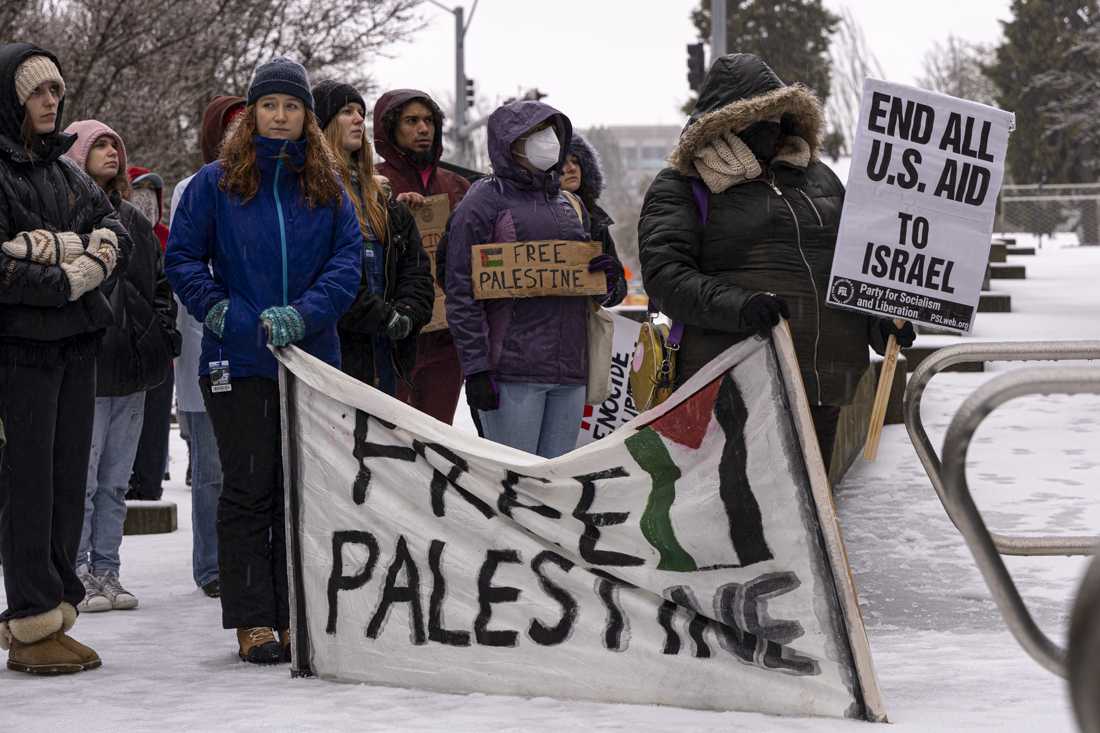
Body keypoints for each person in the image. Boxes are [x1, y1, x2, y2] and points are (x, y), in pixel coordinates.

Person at [166, 57, 361, 664]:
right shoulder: (215, 184)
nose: (281, 117)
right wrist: (219, 311)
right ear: (252, 113)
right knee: (249, 487)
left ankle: (300, 610)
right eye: (270, 106)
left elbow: (347, 263)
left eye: (293, 107)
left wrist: (304, 315)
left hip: (311, 361)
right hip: (238, 362)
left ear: (307, 117)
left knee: (304, 490)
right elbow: (182, 259)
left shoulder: (327, 189)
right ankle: (255, 621)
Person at [638, 53, 914, 470]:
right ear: (724, 121)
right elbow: (665, 275)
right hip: (735, 384)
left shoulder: (819, 177)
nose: (770, 126)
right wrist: (742, 306)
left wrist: (879, 320)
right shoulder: (682, 185)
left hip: (824, 379)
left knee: (809, 515)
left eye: (777, 114)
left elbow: (851, 264)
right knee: (739, 519)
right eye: (758, 116)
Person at [0, 43, 131, 674]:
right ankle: (29, 620)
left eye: (56, 91)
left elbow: (117, 230)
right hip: (19, 355)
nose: (51, 102)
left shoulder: (68, 172)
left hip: (77, 347)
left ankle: (55, 608)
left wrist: (60, 252)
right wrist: (70, 275)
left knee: (64, 486)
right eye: (36, 92)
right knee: (28, 488)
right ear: (12, 99)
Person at [444, 101, 625, 459]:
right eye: (533, 134)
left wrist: (606, 278)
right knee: (515, 483)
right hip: (513, 371)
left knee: (555, 481)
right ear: (509, 143)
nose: (546, 141)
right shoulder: (482, 201)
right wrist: (477, 368)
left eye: (549, 132)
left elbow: (589, 289)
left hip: (570, 370)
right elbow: (461, 291)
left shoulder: (570, 205)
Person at [63, 120, 180, 613]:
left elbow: (158, 285)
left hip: (133, 369)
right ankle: (77, 572)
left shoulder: (133, 219)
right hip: (85, 368)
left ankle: (108, 569)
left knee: (115, 481)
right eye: (100, 144)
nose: (111, 152)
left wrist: (162, 334)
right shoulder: (65, 214)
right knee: (81, 482)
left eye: (116, 144)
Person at [170, 94, 245, 599]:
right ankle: (212, 565)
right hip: (207, 345)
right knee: (213, 470)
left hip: (257, 347)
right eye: (232, 127)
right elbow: (184, 265)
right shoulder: (192, 188)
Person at [313, 80, 433, 393]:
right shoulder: (311, 194)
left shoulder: (384, 199)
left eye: (360, 112)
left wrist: (407, 313)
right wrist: (382, 317)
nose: (357, 119)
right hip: (337, 356)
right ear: (322, 126)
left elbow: (416, 269)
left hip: (387, 358)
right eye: (346, 112)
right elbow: (327, 274)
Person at [373, 89, 471, 422]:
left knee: (438, 438)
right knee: (393, 438)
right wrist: (391, 210)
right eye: (411, 121)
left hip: (446, 338)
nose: (423, 129)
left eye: (429, 121)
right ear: (390, 128)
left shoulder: (456, 185)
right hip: (394, 333)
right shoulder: (374, 181)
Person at [126, 166, 175, 501]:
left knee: (155, 418)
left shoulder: (169, 238)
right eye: (138, 192)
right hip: (125, 344)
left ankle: (149, 479)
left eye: (151, 194)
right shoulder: (119, 229)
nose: (145, 202)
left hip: (159, 340)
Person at [561, 133, 627, 307]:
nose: (571, 168)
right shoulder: (530, 214)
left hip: (580, 327)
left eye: (575, 161)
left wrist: (610, 283)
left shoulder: (595, 220)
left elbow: (616, 295)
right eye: (562, 162)